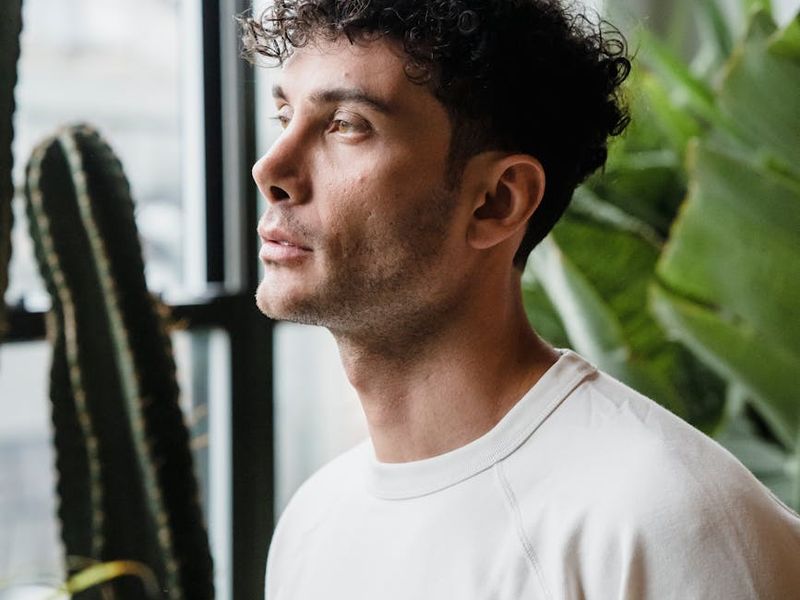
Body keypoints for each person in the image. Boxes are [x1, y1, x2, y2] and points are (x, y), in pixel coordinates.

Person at [241, 0, 800, 597]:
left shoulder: (669, 527)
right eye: (284, 114)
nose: (269, 168)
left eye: (347, 124)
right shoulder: (314, 521)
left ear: (497, 202)